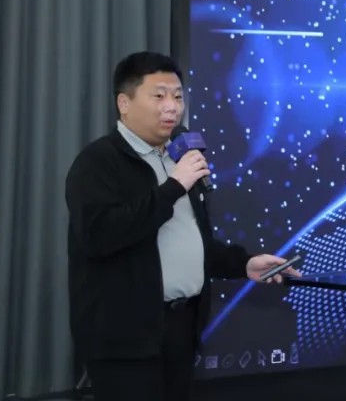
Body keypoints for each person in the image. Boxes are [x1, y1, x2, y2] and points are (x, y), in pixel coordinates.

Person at [66, 51, 300, 400]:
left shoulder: (178, 159)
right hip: (124, 340)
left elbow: (190, 241)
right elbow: (99, 235)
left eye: (177, 97)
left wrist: (244, 263)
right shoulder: (98, 162)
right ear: (124, 103)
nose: (172, 108)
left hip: (180, 330)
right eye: (159, 96)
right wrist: (175, 186)